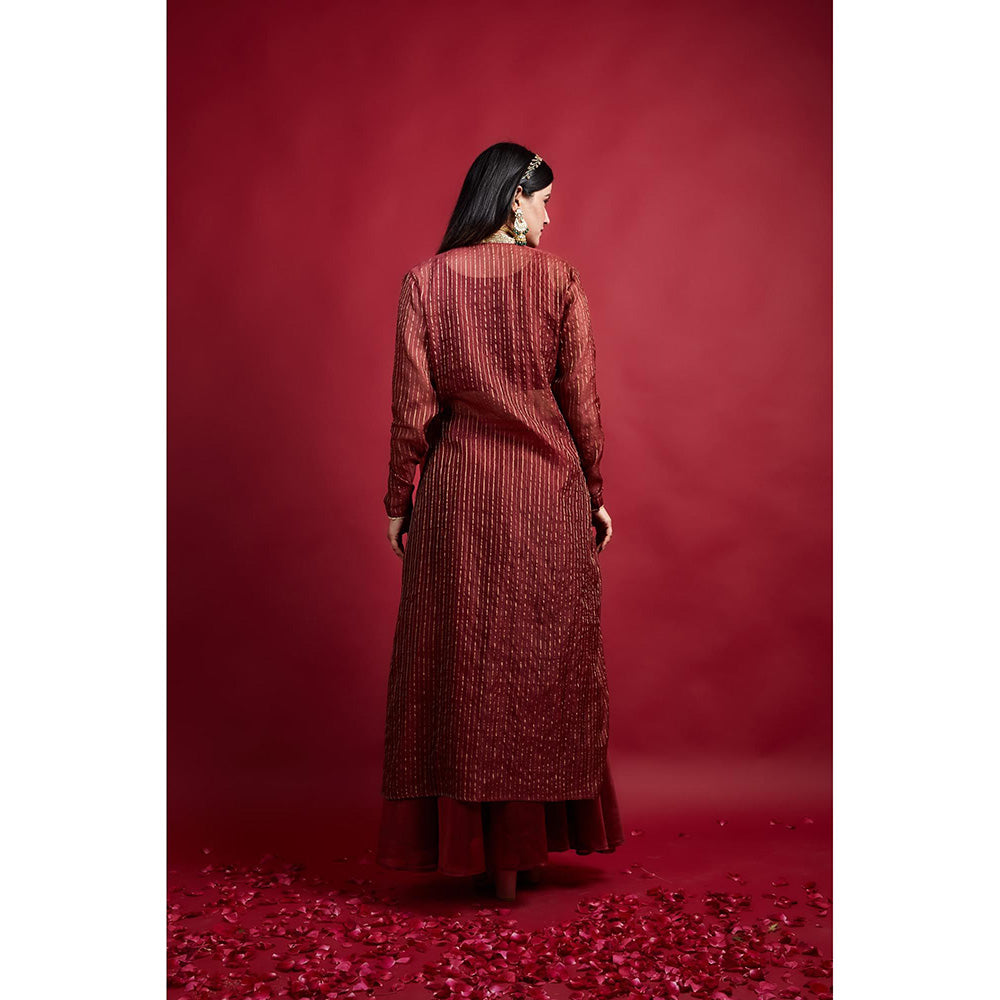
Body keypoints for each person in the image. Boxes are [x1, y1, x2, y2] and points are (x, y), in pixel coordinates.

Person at [375, 142, 623, 901]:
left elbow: (412, 410)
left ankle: (475, 850)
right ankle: (524, 851)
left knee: (460, 667)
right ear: (514, 199)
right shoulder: (559, 281)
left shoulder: (425, 284)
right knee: (537, 666)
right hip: (545, 494)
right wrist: (594, 491)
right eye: (543, 201)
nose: (549, 217)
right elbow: (582, 401)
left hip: (457, 499)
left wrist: (399, 501)